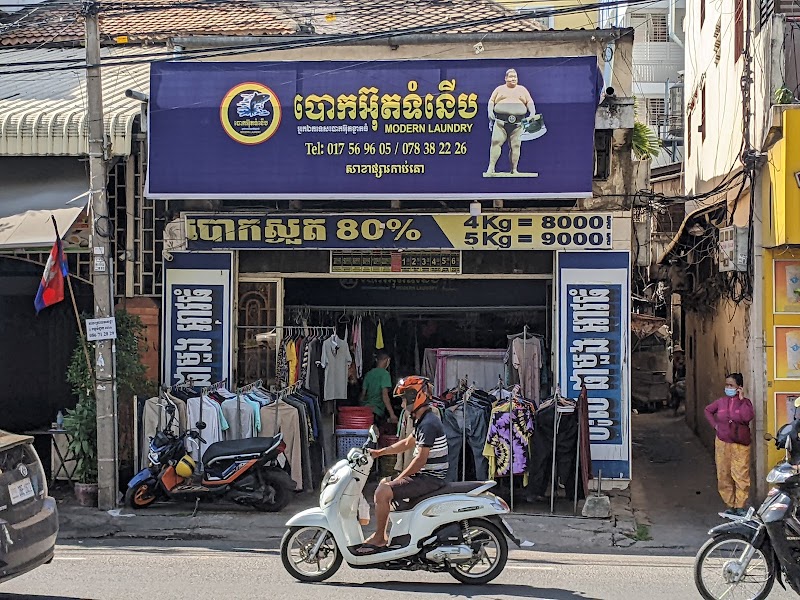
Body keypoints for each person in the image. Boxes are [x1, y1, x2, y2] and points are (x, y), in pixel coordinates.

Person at [356, 376, 448, 554]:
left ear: (415, 397)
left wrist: (400, 478)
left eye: (405, 399)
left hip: (430, 479)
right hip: (427, 476)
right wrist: (380, 452)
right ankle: (391, 533)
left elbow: (420, 459)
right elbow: (407, 443)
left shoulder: (428, 423)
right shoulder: (424, 420)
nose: (403, 404)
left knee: (383, 490)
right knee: (384, 484)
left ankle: (380, 538)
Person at [704, 373, 755, 517]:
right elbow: (707, 410)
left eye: (731, 385)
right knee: (723, 474)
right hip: (722, 442)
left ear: (739, 387)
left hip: (740, 445)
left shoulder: (745, 403)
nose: (728, 387)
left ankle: (740, 506)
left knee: (740, 475)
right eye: (726, 385)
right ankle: (730, 505)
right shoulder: (720, 402)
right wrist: (715, 426)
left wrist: (741, 399)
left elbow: (747, 417)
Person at [485, 68, 535, 176]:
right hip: (501, 122)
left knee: (516, 145)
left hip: (518, 123)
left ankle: (514, 169)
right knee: (495, 142)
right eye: (511, 76)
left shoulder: (522, 90)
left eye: (515, 76)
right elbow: (491, 101)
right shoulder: (499, 89)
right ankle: (491, 167)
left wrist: (532, 113)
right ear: (506, 78)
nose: (513, 78)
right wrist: (490, 112)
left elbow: (529, 102)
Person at [359, 351, 398, 425]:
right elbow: (385, 396)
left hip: (365, 410)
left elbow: (362, 395)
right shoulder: (385, 374)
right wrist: (392, 414)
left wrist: (361, 408)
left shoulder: (369, 374)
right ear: (388, 360)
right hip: (376, 411)